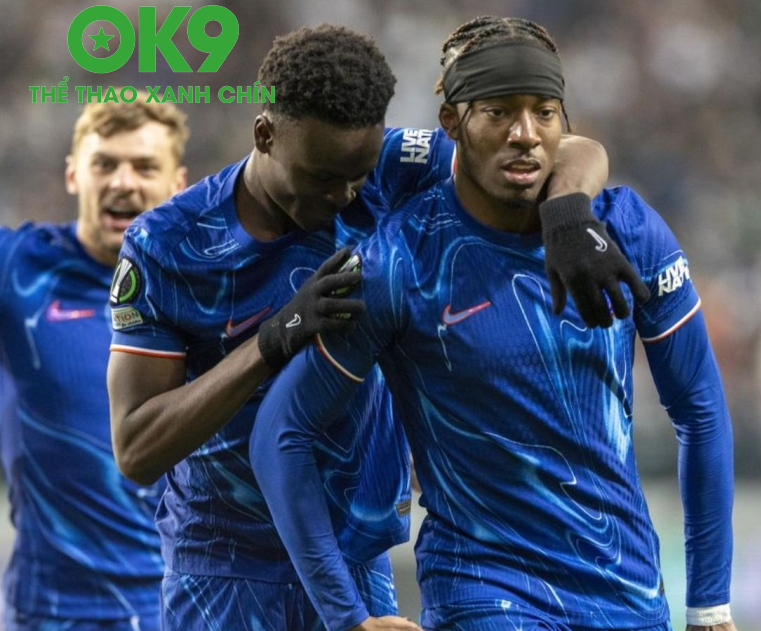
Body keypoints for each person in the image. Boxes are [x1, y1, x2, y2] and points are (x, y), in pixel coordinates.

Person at [106, 24, 635, 631]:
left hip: (355, 561)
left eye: (356, 174)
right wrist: (272, 341)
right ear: (265, 135)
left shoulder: (391, 167)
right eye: (322, 178)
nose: (344, 196)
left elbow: (570, 150)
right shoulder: (168, 244)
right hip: (224, 572)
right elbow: (136, 448)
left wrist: (567, 212)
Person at [251, 16, 738, 631]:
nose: (525, 135)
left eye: (544, 112)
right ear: (452, 123)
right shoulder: (399, 262)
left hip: (627, 594)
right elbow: (281, 433)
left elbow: (700, 409)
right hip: (484, 594)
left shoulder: (626, 231)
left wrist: (710, 604)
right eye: (498, 112)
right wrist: (345, 616)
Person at [0, 95, 189, 630]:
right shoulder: (20, 269)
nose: (122, 182)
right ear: (73, 175)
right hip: (50, 613)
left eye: (144, 166)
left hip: (179, 608)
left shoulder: (207, 287)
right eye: (104, 164)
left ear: (178, 183)